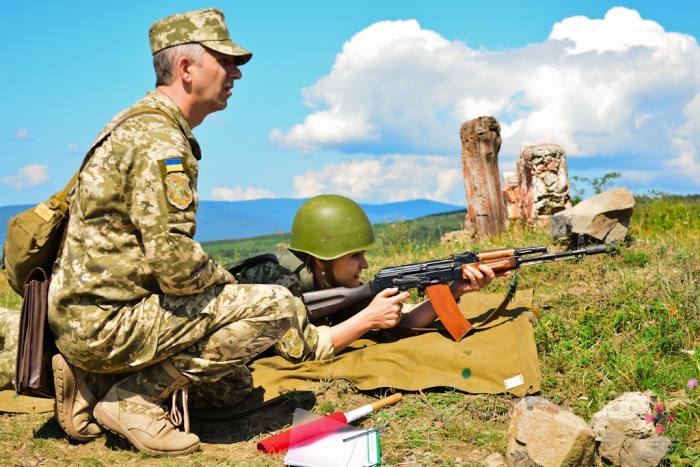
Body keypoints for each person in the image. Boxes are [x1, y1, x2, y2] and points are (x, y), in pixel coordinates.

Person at [47, 8, 296, 456]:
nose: (237, 73)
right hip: (108, 323)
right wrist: (231, 285)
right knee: (275, 306)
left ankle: (98, 383)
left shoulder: (137, 124)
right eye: (225, 60)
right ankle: (133, 400)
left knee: (231, 385)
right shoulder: (160, 141)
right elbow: (177, 265)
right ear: (186, 68)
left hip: (91, 315)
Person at [232, 194, 504, 363]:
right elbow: (300, 351)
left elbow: (404, 320)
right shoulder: (274, 281)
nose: (365, 264)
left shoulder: (334, 283)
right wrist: (368, 319)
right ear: (320, 259)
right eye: (354, 257)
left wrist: (454, 291)